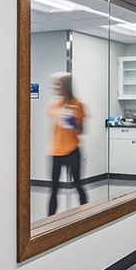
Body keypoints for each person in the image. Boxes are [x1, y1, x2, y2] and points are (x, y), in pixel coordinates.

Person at [47, 72, 87, 216]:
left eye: (57, 84)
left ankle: (87, 215)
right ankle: (49, 222)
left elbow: (81, 130)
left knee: (77, 184)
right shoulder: (54, 105)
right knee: (54, 189)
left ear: (65, 85)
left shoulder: (78, 104)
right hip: (56, 152)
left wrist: (73, 122)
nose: (54, 87)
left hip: (72, 151)